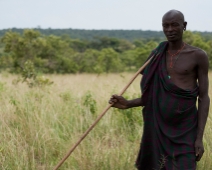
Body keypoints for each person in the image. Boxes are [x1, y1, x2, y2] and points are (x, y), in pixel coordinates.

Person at [109, 9, 210, 170]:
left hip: (185, 129)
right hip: (158, 129)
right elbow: (153, 96)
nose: (169, 30)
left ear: (184, 26)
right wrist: (128, 104)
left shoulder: (198, 55)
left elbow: (204, 97)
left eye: (174, 25)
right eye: (165, 26)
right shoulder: (156, 55)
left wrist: (199, 138)